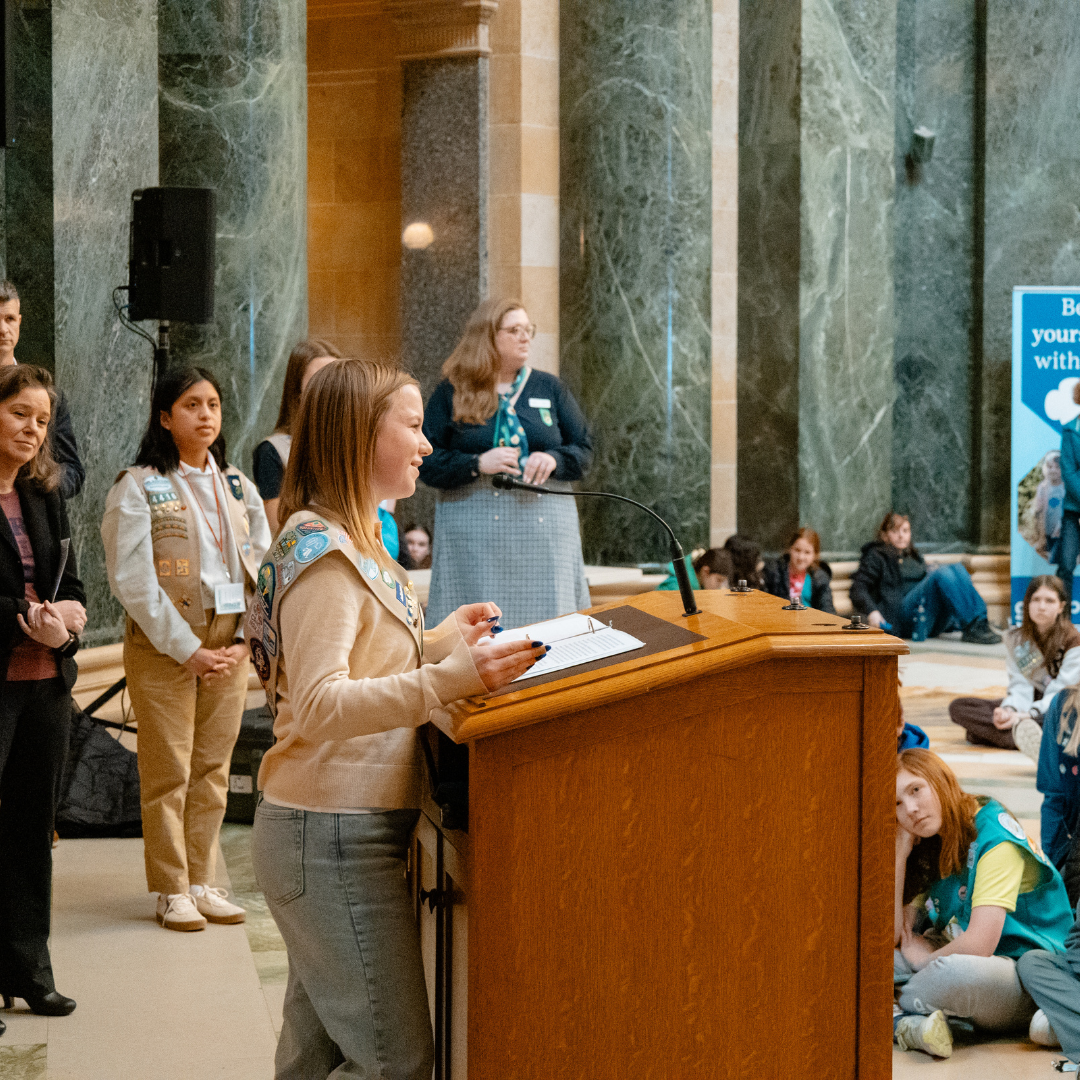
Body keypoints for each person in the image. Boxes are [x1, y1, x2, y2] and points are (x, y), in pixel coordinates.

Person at [248, 358, 547, 1079]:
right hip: (330, 834)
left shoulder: (350, 537)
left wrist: (444, 638)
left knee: (316, 1059)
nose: (425, 443)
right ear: (358, 436)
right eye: (411, 425)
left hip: (331, 830)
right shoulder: (325, 554)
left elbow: (367, 658)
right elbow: (319, 703)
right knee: (396, 1064)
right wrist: (448, 675)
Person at [101, 366, 271, 932]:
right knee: (169, 769)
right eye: (192, 405)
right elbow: (134, 583)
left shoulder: (238, 485)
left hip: (227, 645)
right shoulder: (140, 485)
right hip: (165, 646)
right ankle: (172, 887)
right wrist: (186, 649)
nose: (205, 415)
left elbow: (262, 567)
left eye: (214, 404)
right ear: (165, 418)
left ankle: (205, 878)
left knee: (212, 768)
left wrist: (249, 636)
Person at [420, 297, 592, 630]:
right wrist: (476, 463)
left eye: (528, 330)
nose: (525, 337)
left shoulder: (550, 387)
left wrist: (554, 458)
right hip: (474, 540)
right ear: (487, 336)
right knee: (481, 632)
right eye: (514, 330)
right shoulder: (452, 391)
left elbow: (584, 450)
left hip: (545, 537)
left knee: (550, 628)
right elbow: (425, 460)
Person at [0, 365, 86, 1029]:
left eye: (41, 419)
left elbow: (73, 581)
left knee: (32, 832)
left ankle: (30, 972)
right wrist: (26, 617)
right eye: (18, 414)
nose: (32, 430)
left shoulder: (44, 492)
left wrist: (71, 616)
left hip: (45, 685)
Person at [893, 748, 1072, 1059]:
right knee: (869, 958)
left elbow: (979, 943)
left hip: (1027, 978)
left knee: (956, 974)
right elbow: (897, 935)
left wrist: (923, 961)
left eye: (916, 790)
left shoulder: (994, 836)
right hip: (963, 956)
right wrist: (900, 853)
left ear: (940, 781)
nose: (911, 809)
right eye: (896, 803)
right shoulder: (930, 837)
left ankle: (895, 1013)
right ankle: (908, 1014)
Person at [949, 576, 1080, 759]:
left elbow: (1061, 692)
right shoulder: (1017, 639)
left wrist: (1028, 716)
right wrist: (1009, 712)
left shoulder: (1074, 641)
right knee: (960, 707)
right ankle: (1026, 738)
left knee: (1068, 719)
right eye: (1035, 600)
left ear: (1061, 607)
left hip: (1063, 705)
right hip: (1030, 705)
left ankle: (998, 735)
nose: (1041, 606)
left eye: (1049, 601)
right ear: (1026, 604)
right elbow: (1020, 685)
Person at [850, 512, 1001, 644]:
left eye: (905, 531)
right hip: (902, 619)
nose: (901, 535)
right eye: (895, 531)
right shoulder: (876, 556)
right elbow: (858, 589)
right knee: (941, 573)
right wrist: (872, 612)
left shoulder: (915, 557)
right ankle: (974, 626)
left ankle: (979, 622)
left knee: (957, 567)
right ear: (884, 535)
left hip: (928, 617)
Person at [0, 280, 84, 500]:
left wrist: (37, 489)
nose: (2, 329)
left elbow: (72, 471)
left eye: (9, 319)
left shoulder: (48, 395)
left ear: (19, 322)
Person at [252, 338, 342, 531]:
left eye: (336, 380)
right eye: (319, 381)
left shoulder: (350, 446)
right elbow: (278, 530)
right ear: (298, 390)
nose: (330, 390)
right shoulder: (274, 450)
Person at [762, 527, 837, 613]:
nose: (801, 557)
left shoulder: (820, 577)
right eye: (797, 550)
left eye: (807, 552)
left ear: (815, 555)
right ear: (790, 549)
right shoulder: (774, 572)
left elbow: (827, 609)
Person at [1057, 383, 1080, 610]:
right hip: (1074, 513)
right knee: (1065, 564)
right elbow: (1069, 471)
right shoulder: (1070, 430)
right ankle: (1061, 624)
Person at [657, 547, 733, 592]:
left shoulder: (701, 586)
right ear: (705, 571)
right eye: (719, 580)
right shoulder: (675, 588)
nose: (720, 586)